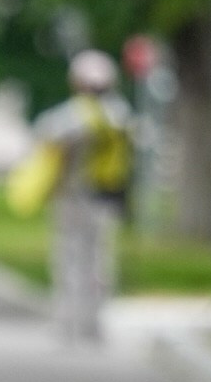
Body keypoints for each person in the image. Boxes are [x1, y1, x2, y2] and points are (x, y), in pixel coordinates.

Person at [24, 49, 136, 343]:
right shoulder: (120, 114)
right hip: (107, 198)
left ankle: (67, 324)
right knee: (100, 262)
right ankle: (94, 325)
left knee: (69, 260)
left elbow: (45, 137)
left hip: (74, 198)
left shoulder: (73, 115)